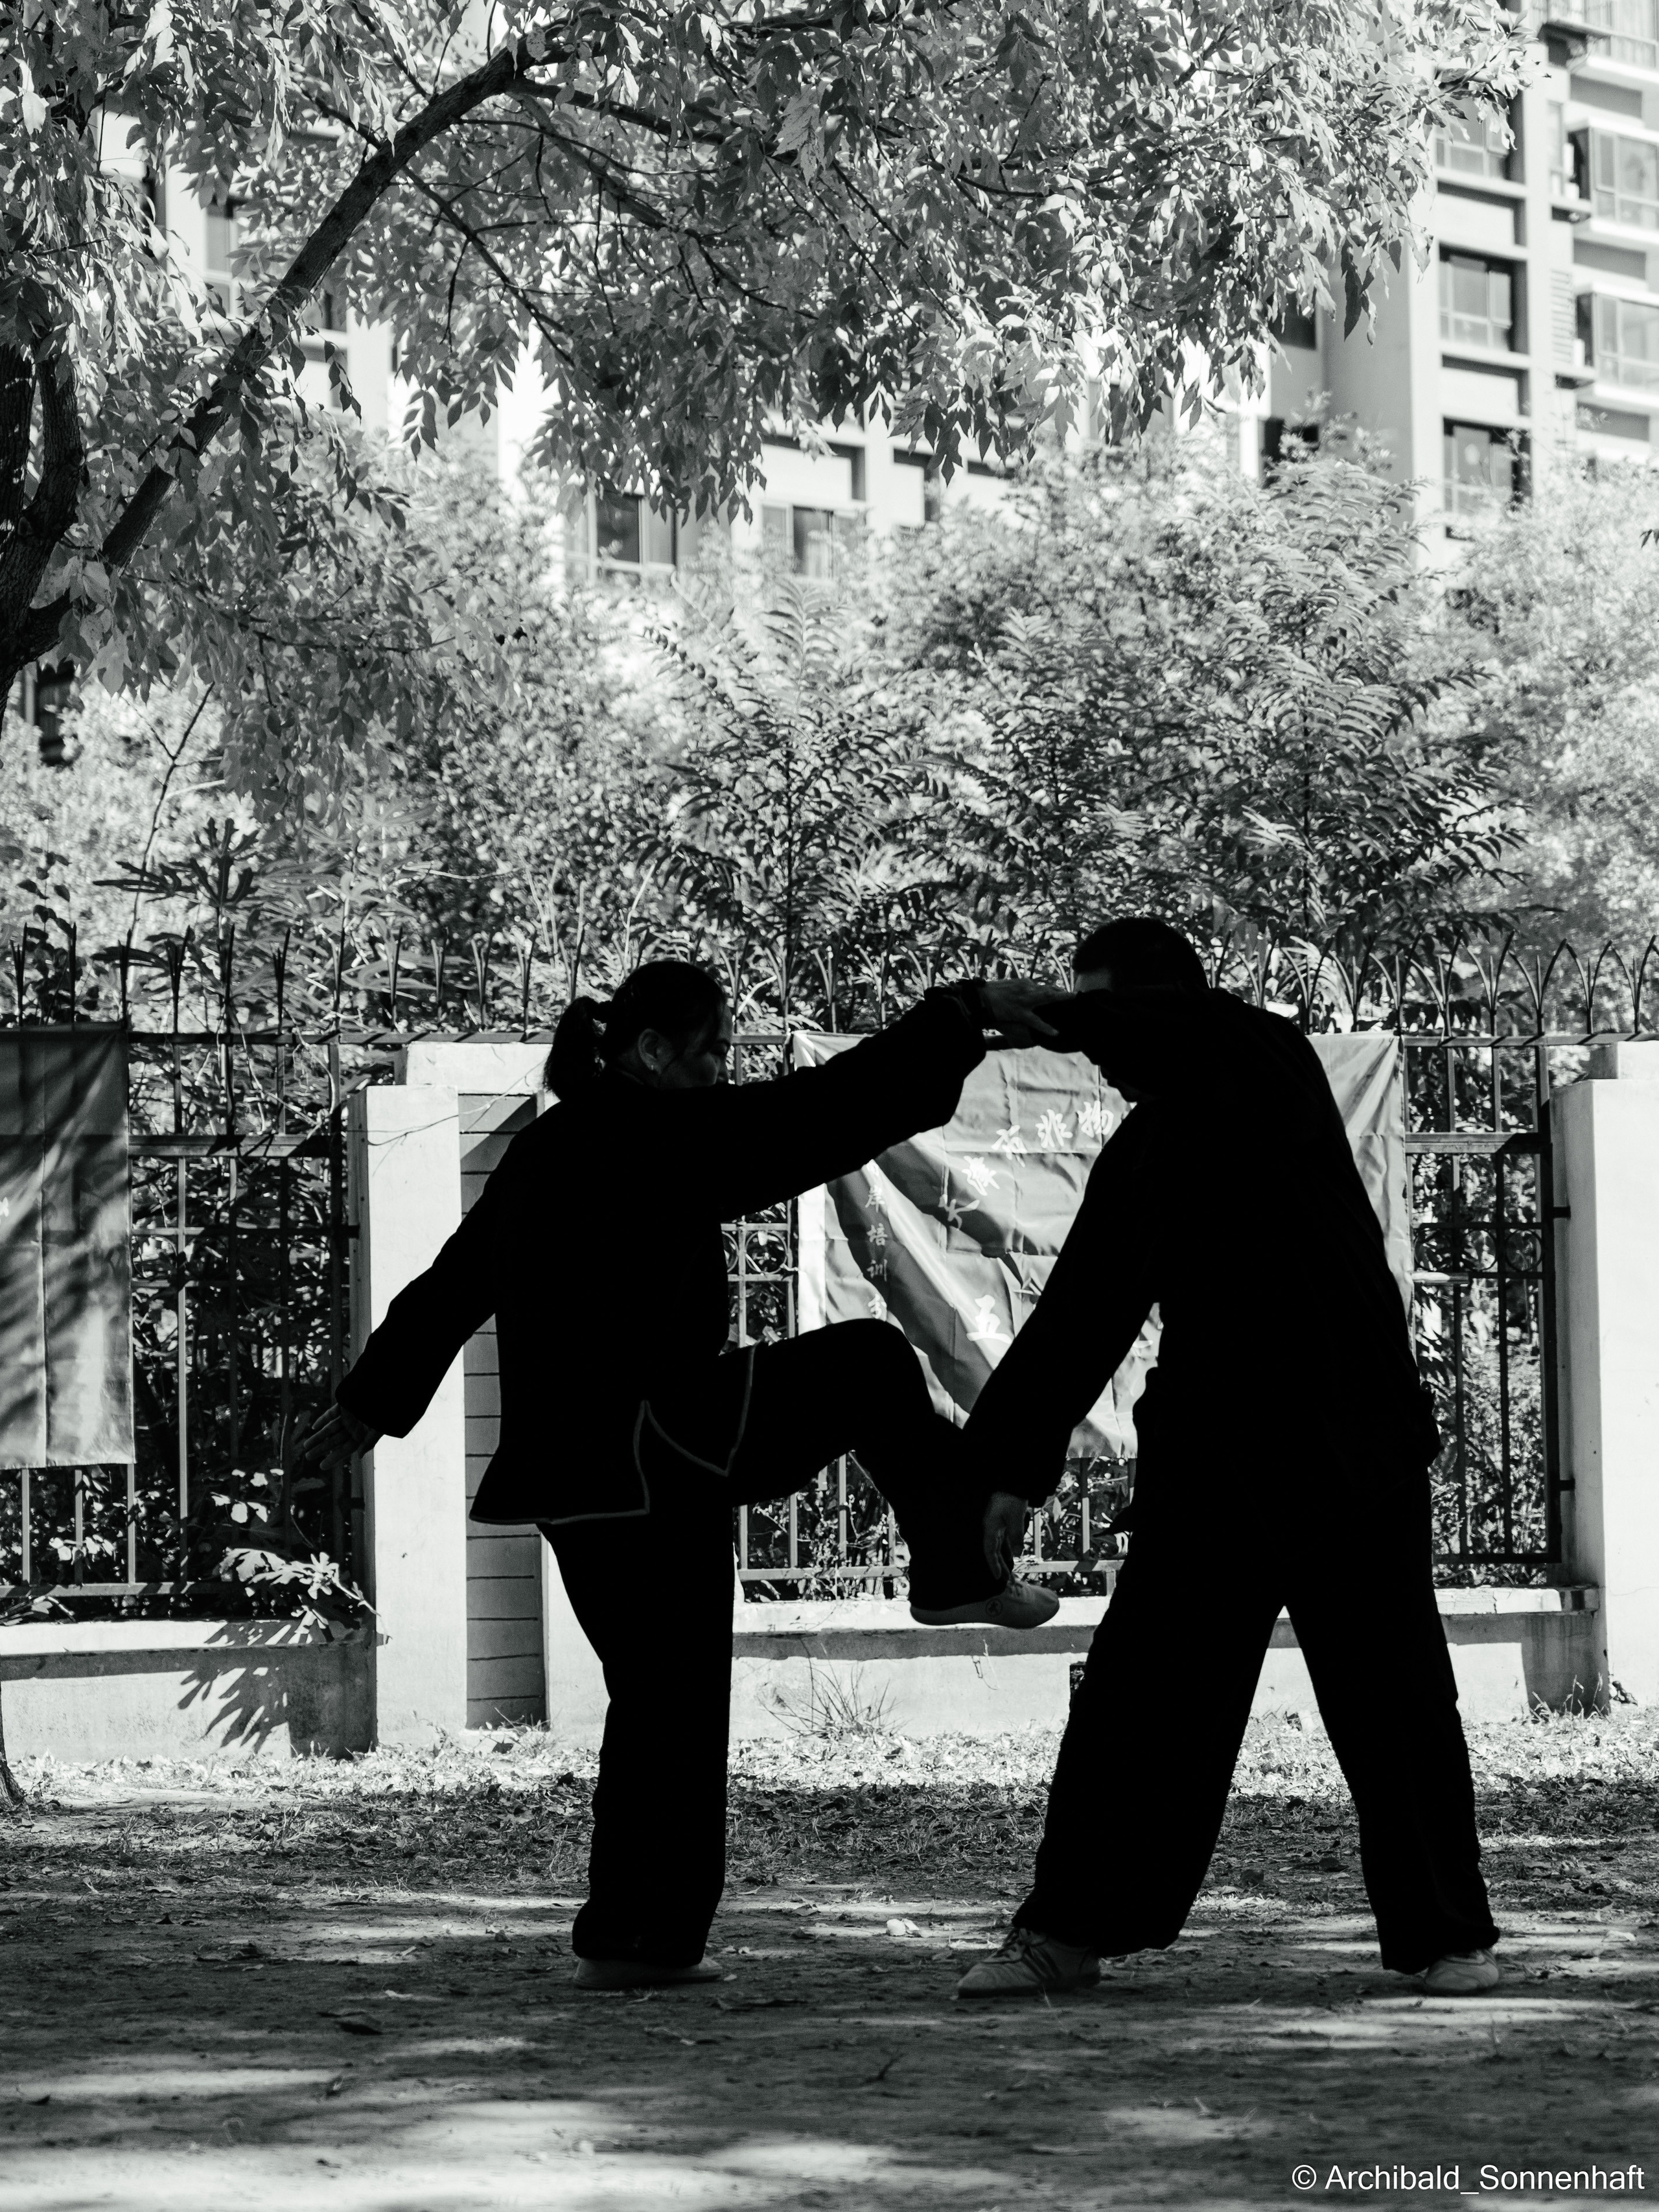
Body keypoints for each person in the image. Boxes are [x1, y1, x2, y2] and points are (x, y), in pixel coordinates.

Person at [305, 959, 1060, 1990]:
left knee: (660, 1696)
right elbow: (826, 1108)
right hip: (657, 1448)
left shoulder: (542, 1152)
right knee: (873, 1361)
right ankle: (951, 1566)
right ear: (651, 1052)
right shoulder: (655, 1133)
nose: (718, 1072)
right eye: (708, 1052)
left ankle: (635, 1936)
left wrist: (369, 1402)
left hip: (570, 1481)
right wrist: (960, 1017)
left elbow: (453, 1284)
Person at [953, 916, 1501, 2001]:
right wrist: (1011, 1468)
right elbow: (1083, 1313)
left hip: (1353, 1436)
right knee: (1141, 1698)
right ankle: (1067, 1929)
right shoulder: (1152, 1149)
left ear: (1152, 1002)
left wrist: (1038, 1013)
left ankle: (1449, 1935)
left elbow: (1183, 1018)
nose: (1100, 1054)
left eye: (1106, 1015)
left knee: (1393, 1692)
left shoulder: (1267, 1057)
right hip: (1217, 1452)